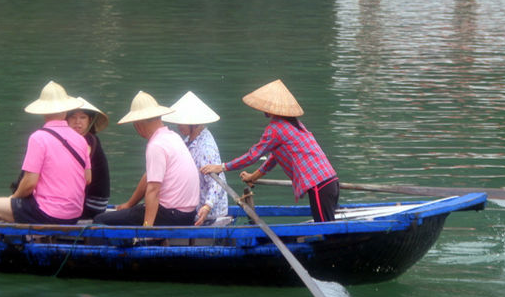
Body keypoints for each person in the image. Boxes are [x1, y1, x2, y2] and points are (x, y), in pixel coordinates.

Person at [201, 79, 339, 222]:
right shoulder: (294, 124)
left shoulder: (276, 128)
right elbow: (274, 157)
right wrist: (253, 176)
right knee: (327, 226)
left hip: (319, 185)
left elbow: (252, 156)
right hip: (331, 182)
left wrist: (222, 167)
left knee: (326, 230)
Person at [0, 81, 92, 241]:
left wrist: (14, 198)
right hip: (74, 214)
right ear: (66, 111)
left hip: (48, 214)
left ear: (43, 112)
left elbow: (30, 183)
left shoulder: (38, 138)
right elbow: (87, 179)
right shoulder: (81, 140)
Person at [93, 91, 199, 227]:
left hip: (171, 214)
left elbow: (153, 189)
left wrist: (147, 226)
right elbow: (149, 176)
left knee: (100, 220)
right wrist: (130, 204)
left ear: (138, 124)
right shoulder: (172, 137)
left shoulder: (156, 145)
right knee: (131, 212)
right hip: (187, 214)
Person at [162, 91, 228, 226]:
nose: (179, 126)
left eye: (183, 123)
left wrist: (207, 206)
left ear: (195, 124)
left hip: (207, 211)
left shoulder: (206, 147)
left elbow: (217, 182)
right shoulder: (189, 141)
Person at [66, 97, 111, 219]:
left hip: (92, 204)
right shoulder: (79, 140)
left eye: (83, 117)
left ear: (89, 121)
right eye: (73, 117)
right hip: (89, 201)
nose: (77, 122)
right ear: (67, 120)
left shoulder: (87, 140)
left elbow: (82, 177)